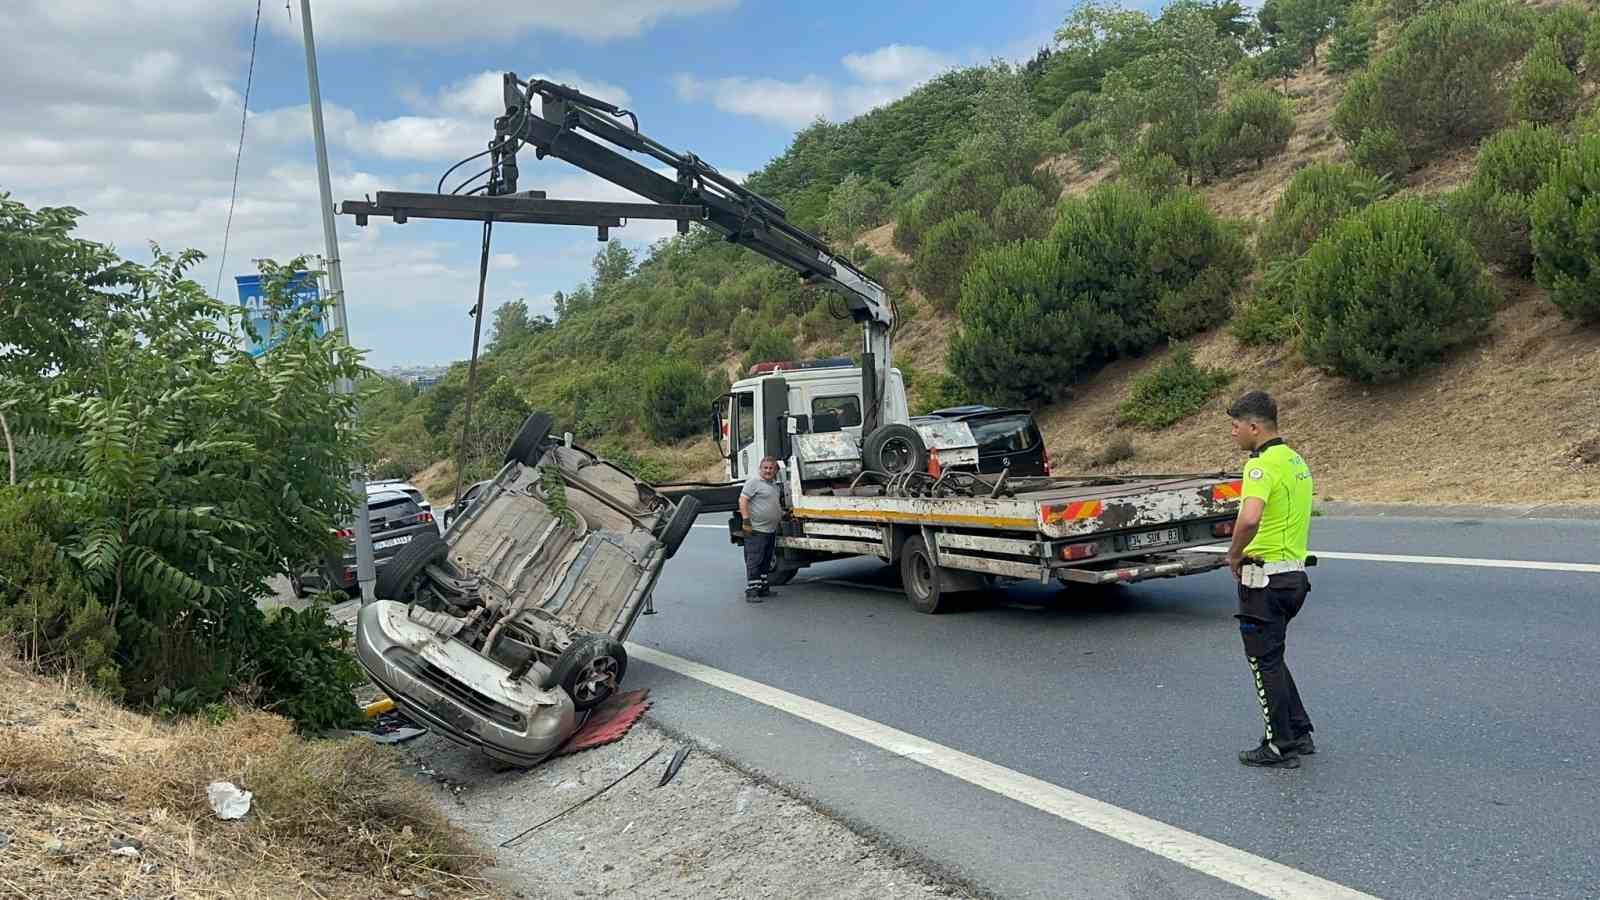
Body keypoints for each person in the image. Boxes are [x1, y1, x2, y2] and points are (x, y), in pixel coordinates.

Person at [1224, 390, 1316, 769]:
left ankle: (1279, 745)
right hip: (1294, 577)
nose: (1233, 433)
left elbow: (1249, 518)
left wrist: (1232, 554)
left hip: (1264, 578)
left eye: (1235, 426)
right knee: (1273, 655)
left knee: (1263, 661)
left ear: (1254, 426)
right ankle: (1299, 731)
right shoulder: (1296, 460)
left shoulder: (1259, 466)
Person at [739, 456, 783, 603]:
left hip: (770, 530)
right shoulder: (754, 483)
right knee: (755, 560)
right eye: (765, 468)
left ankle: (763, 588)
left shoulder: (774, 485)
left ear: (776, 470)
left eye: (771, 468)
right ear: (760, 469)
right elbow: (743, 500)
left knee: (766, 560)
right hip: (756, 530)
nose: (768, 471)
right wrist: (745, 520)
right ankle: (752, 591)